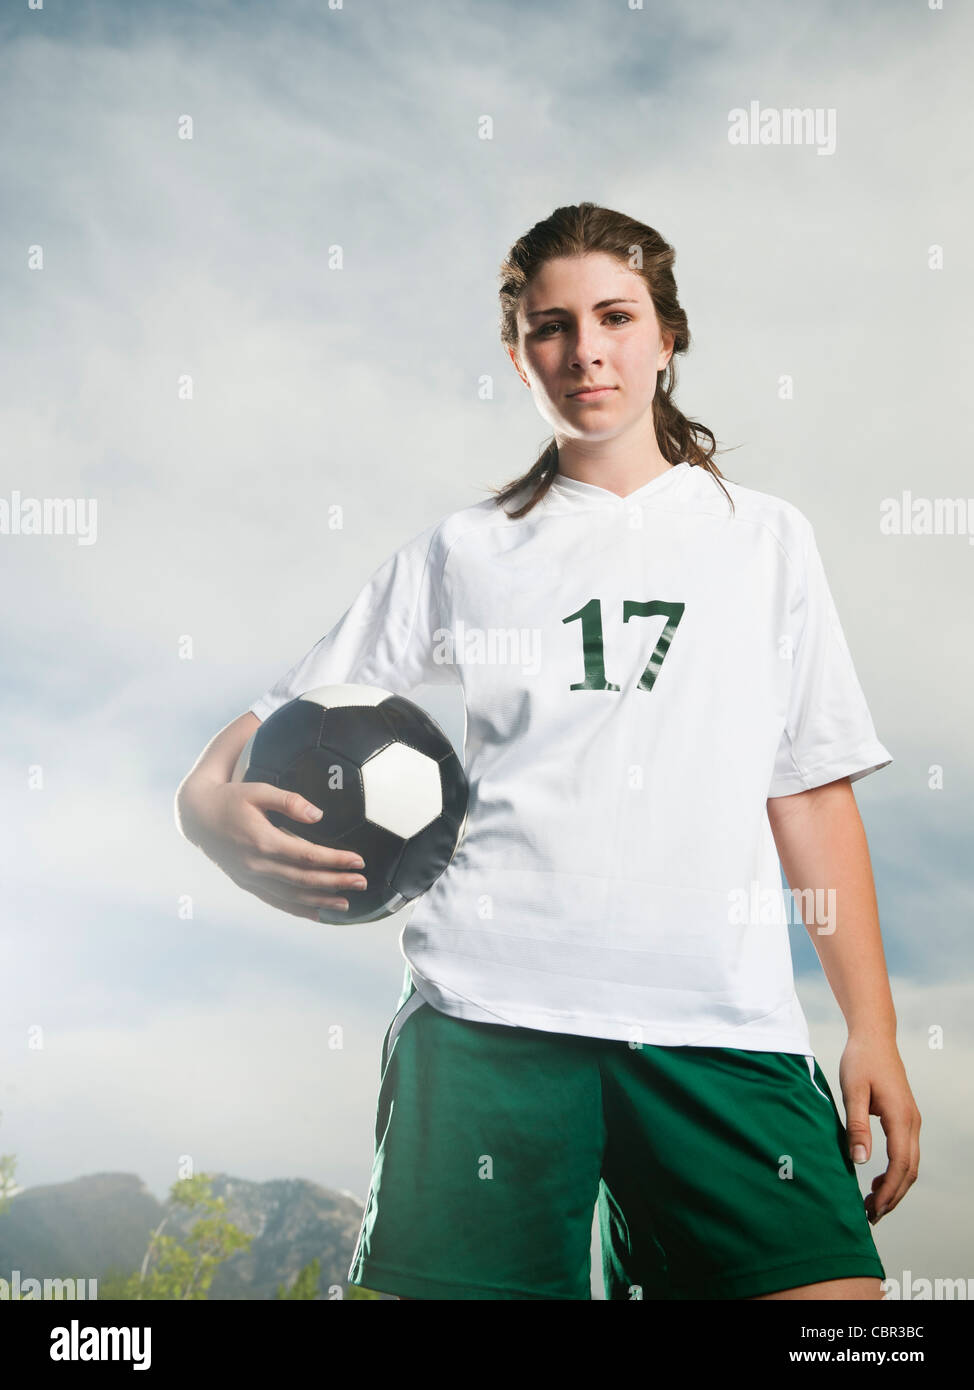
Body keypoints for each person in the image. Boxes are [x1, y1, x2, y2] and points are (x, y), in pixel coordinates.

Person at [175, 202, 920, 1301]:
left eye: (614, 316)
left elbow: (806, 795)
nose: (584, 350)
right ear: (516, 351)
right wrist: (203, 808)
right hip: (489, 1021)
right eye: (548, 325)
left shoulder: (763, 540)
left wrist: (873, 1028)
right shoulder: (466, 548)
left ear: (666, 334)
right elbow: (279, 720)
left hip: (718, 1026)